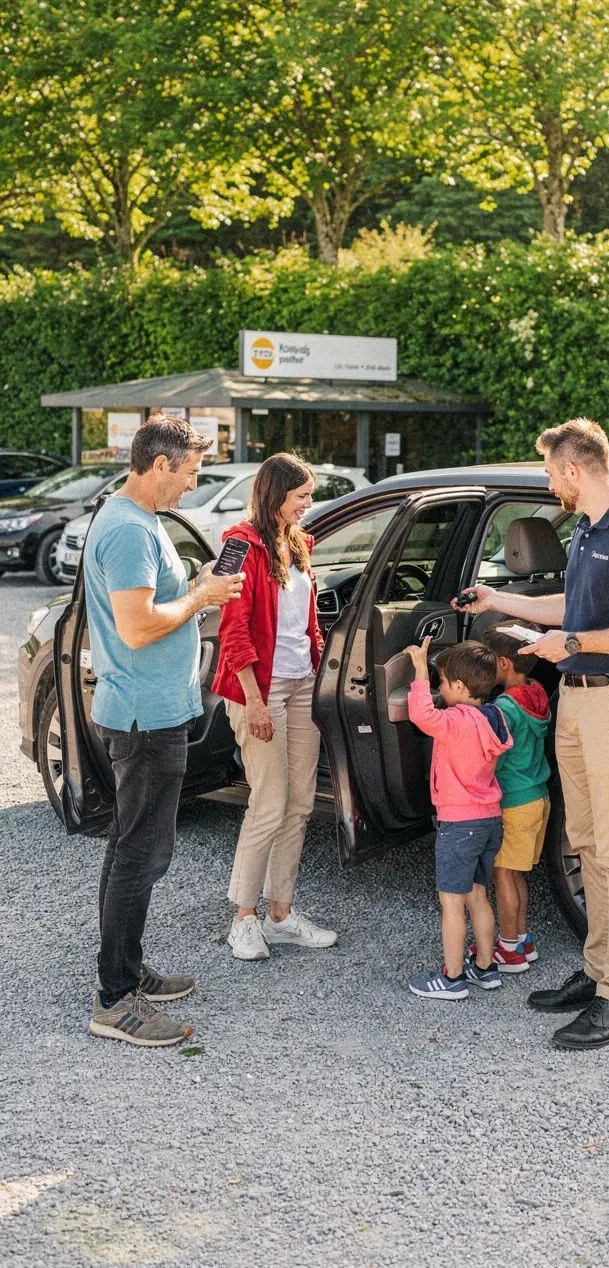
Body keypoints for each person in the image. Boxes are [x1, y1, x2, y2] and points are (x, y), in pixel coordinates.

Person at [456, 419, 609, 1049]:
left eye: (552, 474)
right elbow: (569, 608)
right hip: (578, 702)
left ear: (575, 470)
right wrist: (499, 601)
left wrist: (571, 644)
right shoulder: (586, 531)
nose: (551, 485)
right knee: (586, 843)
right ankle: (597, 972)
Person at [85, 416, 245, 1048]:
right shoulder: (128, 530)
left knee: (130, 846)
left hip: (151, 710)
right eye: (189, 474)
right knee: (140, 855)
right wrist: (202, 598)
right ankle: (114, 1000)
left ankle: (123, 972)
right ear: (159, 466)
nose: (191, 485)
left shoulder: (139, 522)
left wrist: (199, 588)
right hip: (144, 717)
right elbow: (138, 627)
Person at [213, 452, 337, 961]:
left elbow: (306, 624)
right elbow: (232, 631)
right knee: (268, 803)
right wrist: (256, 701)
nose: (309, 504)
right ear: (275, 495)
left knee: (300, 803)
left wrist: (324, 662)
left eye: (309, 495)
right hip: (258, 690)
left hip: (302, 682)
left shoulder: (300, 543)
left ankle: (280, 915)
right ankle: (243, 920)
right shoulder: (237, 545)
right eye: (301, 496)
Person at [404, 638, 510, 1000]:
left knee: (451, 901)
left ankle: (451, 978)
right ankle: (485, 967)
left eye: (443, 683)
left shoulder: (454, 721)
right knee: (478, 895)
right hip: (488, 819)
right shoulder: (494, 717)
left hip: (459, 824)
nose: (439, 689)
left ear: (461, 688)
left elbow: (420, 715)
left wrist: (419, 671)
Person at [481, 625, 552, 973]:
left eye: (489, 661)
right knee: (518, 873)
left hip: (514, 800)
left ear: (505, 663)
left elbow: (493, 752)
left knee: (502, 874)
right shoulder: (537, 693)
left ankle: (508, 949)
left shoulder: (505, 707)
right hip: (538, 795)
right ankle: (521, 939)